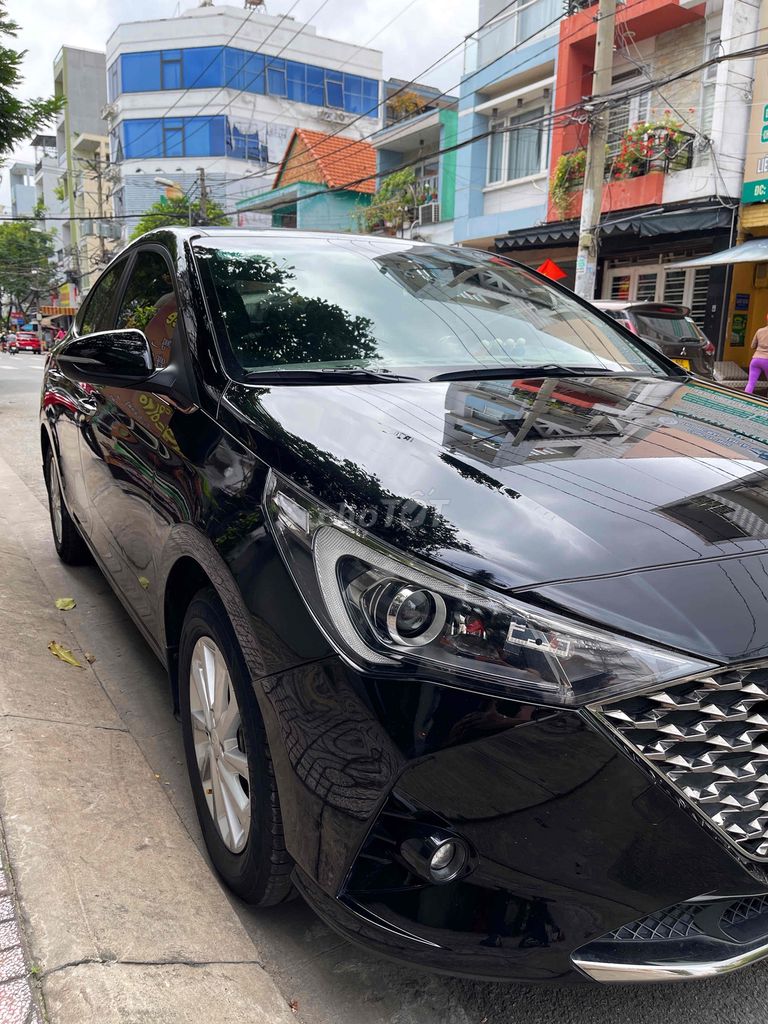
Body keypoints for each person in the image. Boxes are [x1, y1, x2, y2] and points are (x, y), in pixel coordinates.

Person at [746, 313, 768, 394]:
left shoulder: (759, 331)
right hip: (767, 360)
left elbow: (752, 346)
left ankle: (745, 399)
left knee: (751, 383)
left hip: (756, 359)